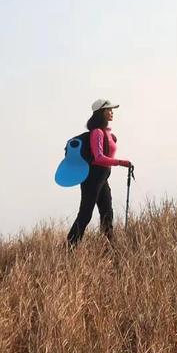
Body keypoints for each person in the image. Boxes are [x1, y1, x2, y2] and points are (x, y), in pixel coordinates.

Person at [67, 99, 133, 247]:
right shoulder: (97, 132)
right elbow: (99, 157)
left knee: (107, 213)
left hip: (102, 178)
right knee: (85, 214)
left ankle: (109, 246)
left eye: (112, 110)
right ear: (101, 113)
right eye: (109, 110)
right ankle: (69, 247)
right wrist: (121, 163)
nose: (112, 112)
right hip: (92, 178)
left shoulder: (109, 133)